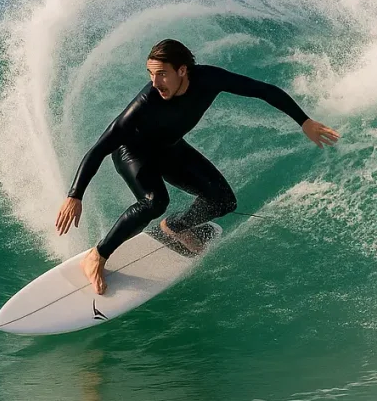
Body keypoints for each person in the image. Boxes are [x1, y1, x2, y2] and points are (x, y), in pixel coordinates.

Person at [55, 39, 340, 294]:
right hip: (133, 151)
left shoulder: (209, 79)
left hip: (168, 148)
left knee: (223, 201)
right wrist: (75, 194)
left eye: (162, 73)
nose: (155, 82)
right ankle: (98, 254)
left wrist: (305, 121)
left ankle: (176, 227)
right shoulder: (146, 102)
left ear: (182, 70)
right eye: (151, 74)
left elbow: (261, 90)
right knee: (155, 202)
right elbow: (102, 145)